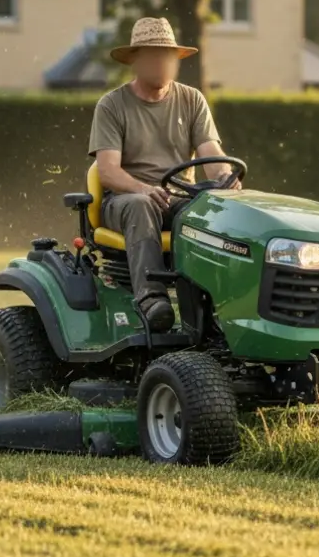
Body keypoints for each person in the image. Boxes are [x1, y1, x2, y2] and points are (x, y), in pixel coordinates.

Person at [87, 17, 240, 332]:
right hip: (125, 201)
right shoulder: (112, 105)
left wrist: (226, 180)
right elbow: (108, 171)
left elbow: (211, 153)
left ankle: (224, 302)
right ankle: (152, 300)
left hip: (179, 198)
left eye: (168, 56)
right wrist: (143, 189)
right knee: (142, 205)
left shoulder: (192, 100)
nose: (163, 63)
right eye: (154, 55)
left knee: (217, 209)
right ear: (135, 60)